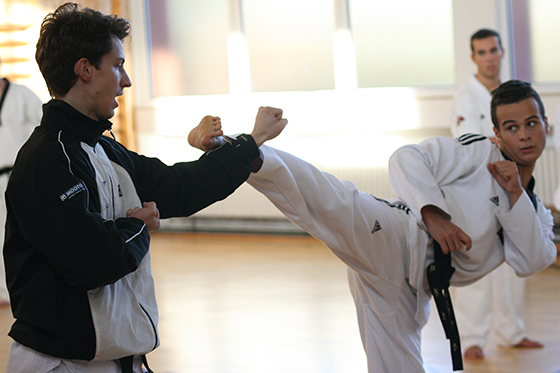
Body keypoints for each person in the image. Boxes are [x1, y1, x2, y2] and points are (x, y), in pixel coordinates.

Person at [192, 80, 556, 372]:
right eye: (512, 127)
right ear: (497, 134)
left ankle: (241, 153)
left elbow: (533, 261)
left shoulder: (532, 210)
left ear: (546, 126)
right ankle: (239, 149)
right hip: (398, 234)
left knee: (396, 366)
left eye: (531, 124)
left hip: (411, 288)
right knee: (333, 201)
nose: (524, 135)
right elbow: (406, 158)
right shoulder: (479, 153)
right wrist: (435, 216)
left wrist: (514, 193)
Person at [3, 3, 287, 373]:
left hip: (114, 356)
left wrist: (250, 142)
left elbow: (179, 188)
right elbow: (93, 261)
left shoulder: (104, 149)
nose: (127, 81)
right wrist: (138, 224)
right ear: (85, 69)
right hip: (61, 363)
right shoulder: (45, 161)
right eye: (118, 64)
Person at [451, 29, 542, 359]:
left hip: (512, 184)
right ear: (474, 57)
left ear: (502, 52)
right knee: (476, 260)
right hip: (477, 189)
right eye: (482, 52)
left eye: (494, 50)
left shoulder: (513, 94)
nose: (490, 57)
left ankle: (511, 330)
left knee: (511, 261)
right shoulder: (465, 97)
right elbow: (470, 141)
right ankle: (472, 337)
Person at [0, 58, 43, 309]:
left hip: (18, 176)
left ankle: (22, 289)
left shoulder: (22, 95)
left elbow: (44, 131)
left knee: (21, 236)